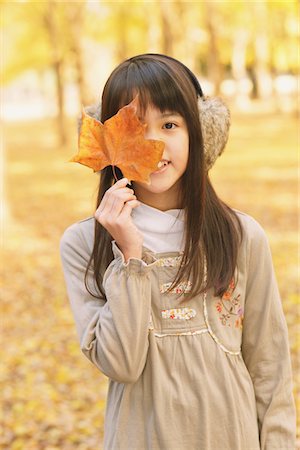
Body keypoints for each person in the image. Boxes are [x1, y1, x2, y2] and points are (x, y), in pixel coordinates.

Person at [60, 54, 296, 450]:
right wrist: (131, 257)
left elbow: (270, 367)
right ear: (108, 144)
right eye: (133, 128)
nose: (154, 143)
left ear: (197, 132)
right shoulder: (86, 244)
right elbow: (121, 363)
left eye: (169, 125)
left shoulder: (240, 237)